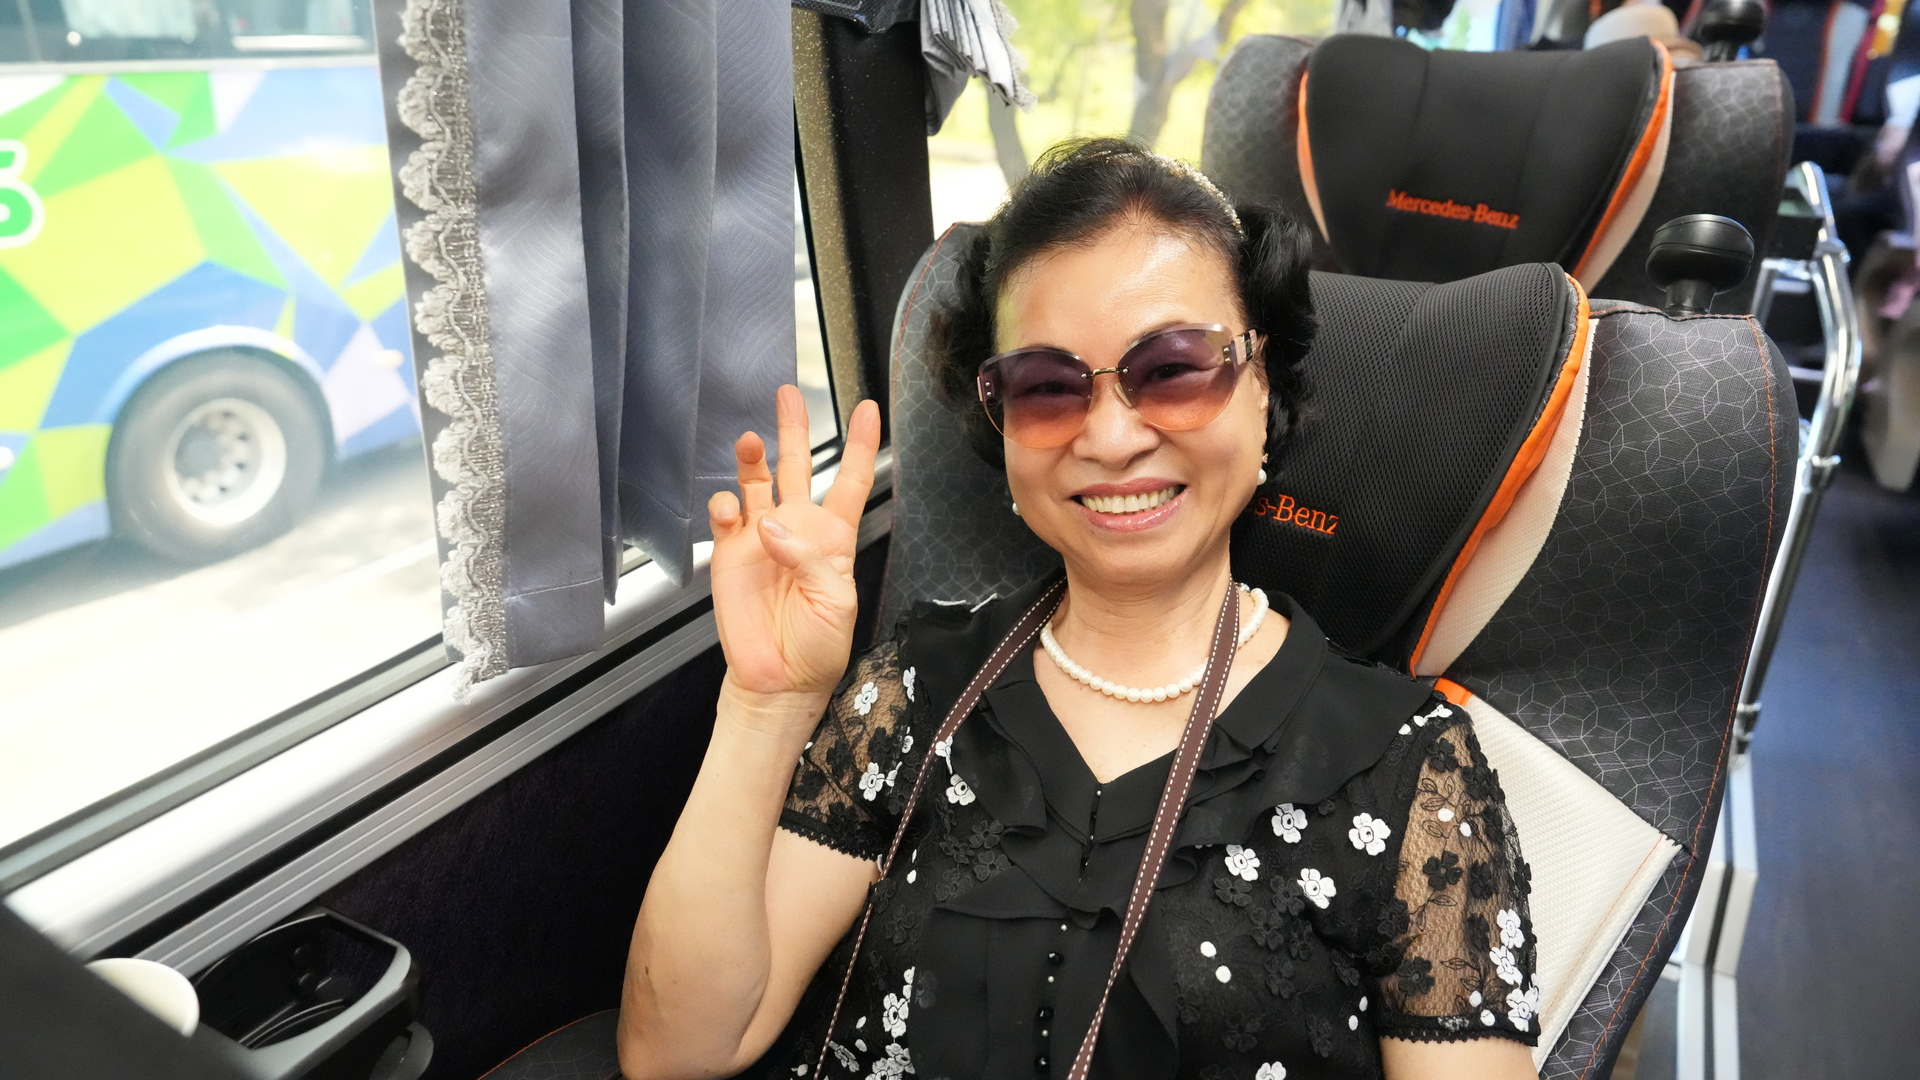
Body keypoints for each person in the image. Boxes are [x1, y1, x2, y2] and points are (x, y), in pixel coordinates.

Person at [617, 138, 1541, 1080]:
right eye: (1048, 387)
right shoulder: (912, 691)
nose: (1109, 437)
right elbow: (678, 1051)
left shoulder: (1408, 772)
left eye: (1173, 369)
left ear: (1261, 386)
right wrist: (766, 706)